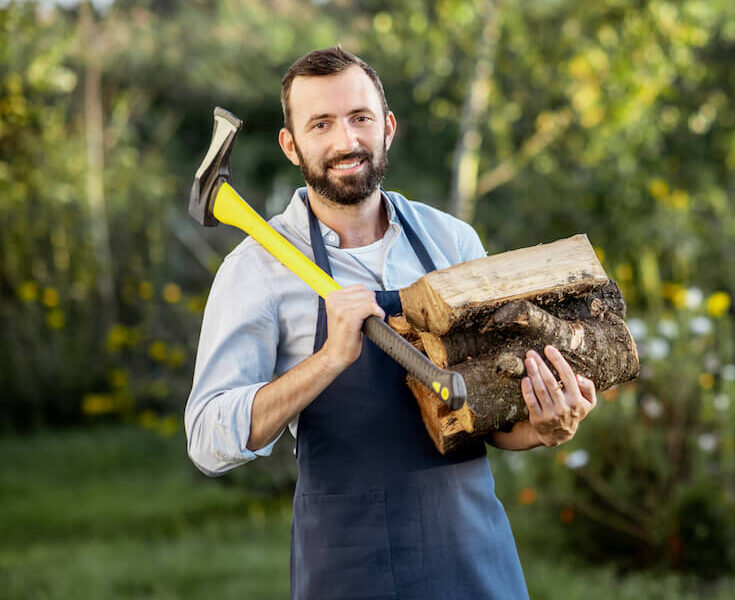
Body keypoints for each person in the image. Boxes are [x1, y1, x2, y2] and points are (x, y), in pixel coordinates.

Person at [185, 46, 597, 600]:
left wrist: (544, 429)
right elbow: (208, 439)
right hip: (350, 568)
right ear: (291, 144)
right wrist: (328, 360)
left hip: (472, 557)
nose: (345, 141)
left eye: (360, 118)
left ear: (388, 127)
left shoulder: (451, 242)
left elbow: (485, 412)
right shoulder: (256, 271)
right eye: (321, 124)